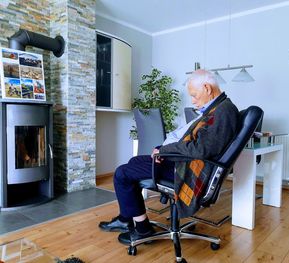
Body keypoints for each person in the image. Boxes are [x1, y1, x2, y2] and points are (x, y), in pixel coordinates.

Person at [98, 69, 239, 245]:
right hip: (189, 164)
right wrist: (162, 150)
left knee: (122, 173)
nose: (193, 101)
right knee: (135, 162)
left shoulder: (223, 111)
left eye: (194, 95)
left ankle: (142, 229)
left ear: (207, 88)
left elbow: (201, 149)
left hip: (189, 172)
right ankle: (126, 218)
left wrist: (165, 151)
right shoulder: (221, 108)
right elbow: (209, 142)